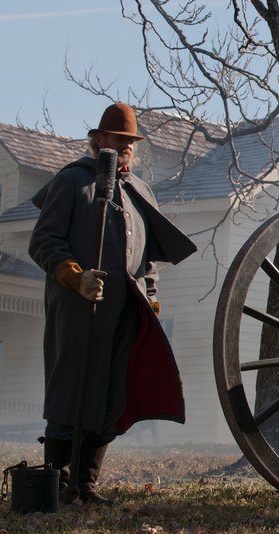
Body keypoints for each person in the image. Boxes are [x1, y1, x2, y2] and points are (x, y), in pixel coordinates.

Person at [29, 102, 197, 504]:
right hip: (77, 307)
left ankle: (85, 485)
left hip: (124, 312)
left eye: (130, 142)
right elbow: (44, 240)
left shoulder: (140, 192)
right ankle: (59, 484)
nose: (124, 147)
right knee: (71, 391)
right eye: (117, 139)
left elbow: (148, 259)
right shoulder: (71, 183)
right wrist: (76, 276)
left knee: (109, 394)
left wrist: (151, 298)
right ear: (98, 139)